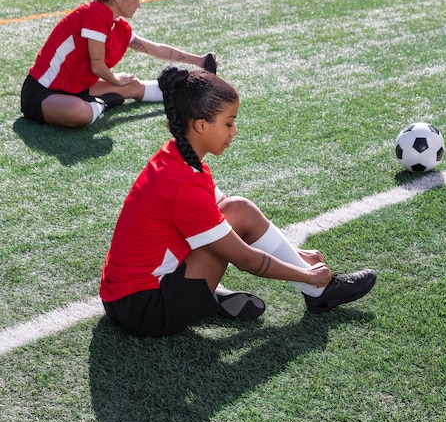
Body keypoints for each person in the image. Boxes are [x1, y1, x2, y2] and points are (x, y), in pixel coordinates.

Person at [99, 66, 376, 337]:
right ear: (201, 125)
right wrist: (306, 275)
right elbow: (244, 258)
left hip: (121, 297)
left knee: (237, 208)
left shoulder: (176, 158)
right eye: (229, 123)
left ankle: (207, 297)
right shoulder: (184, 182)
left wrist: (298, 254)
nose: (235, 132)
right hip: (145, 309)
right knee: (232, 225)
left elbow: (233, 212)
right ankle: (319, 291)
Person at [20, 0, 217, 128]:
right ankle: (103, 103)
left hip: (77, 88)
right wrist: (115, 80)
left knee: (133, 85)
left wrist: (199, 61)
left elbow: (154, 49)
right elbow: (97, 67)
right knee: (81, 113)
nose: (139, 5)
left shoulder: (118, 26)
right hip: (42, 92)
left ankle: (184, 93)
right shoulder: (95, 13)